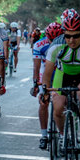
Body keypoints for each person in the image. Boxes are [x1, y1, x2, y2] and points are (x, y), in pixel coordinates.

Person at [43, 12, 80, 151]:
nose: (71, 40)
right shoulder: (57, 45)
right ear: (63, 34)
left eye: (75, 36)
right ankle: (63, 135)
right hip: (62, 76)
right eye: (67, 36)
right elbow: (48, 71)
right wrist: (44, 90)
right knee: (58, 105)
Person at [30, 22, 64, 150]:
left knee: (62, 102)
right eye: (50, 39)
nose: (53, 42)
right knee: (43, 102)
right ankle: (44, 135)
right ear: (46, 36)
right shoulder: (39, 45)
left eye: (56, 39)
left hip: (60, 71)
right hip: (46, 71)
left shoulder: (66, 44)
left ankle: (62, 134)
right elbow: (37, 67)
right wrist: (36, 84)